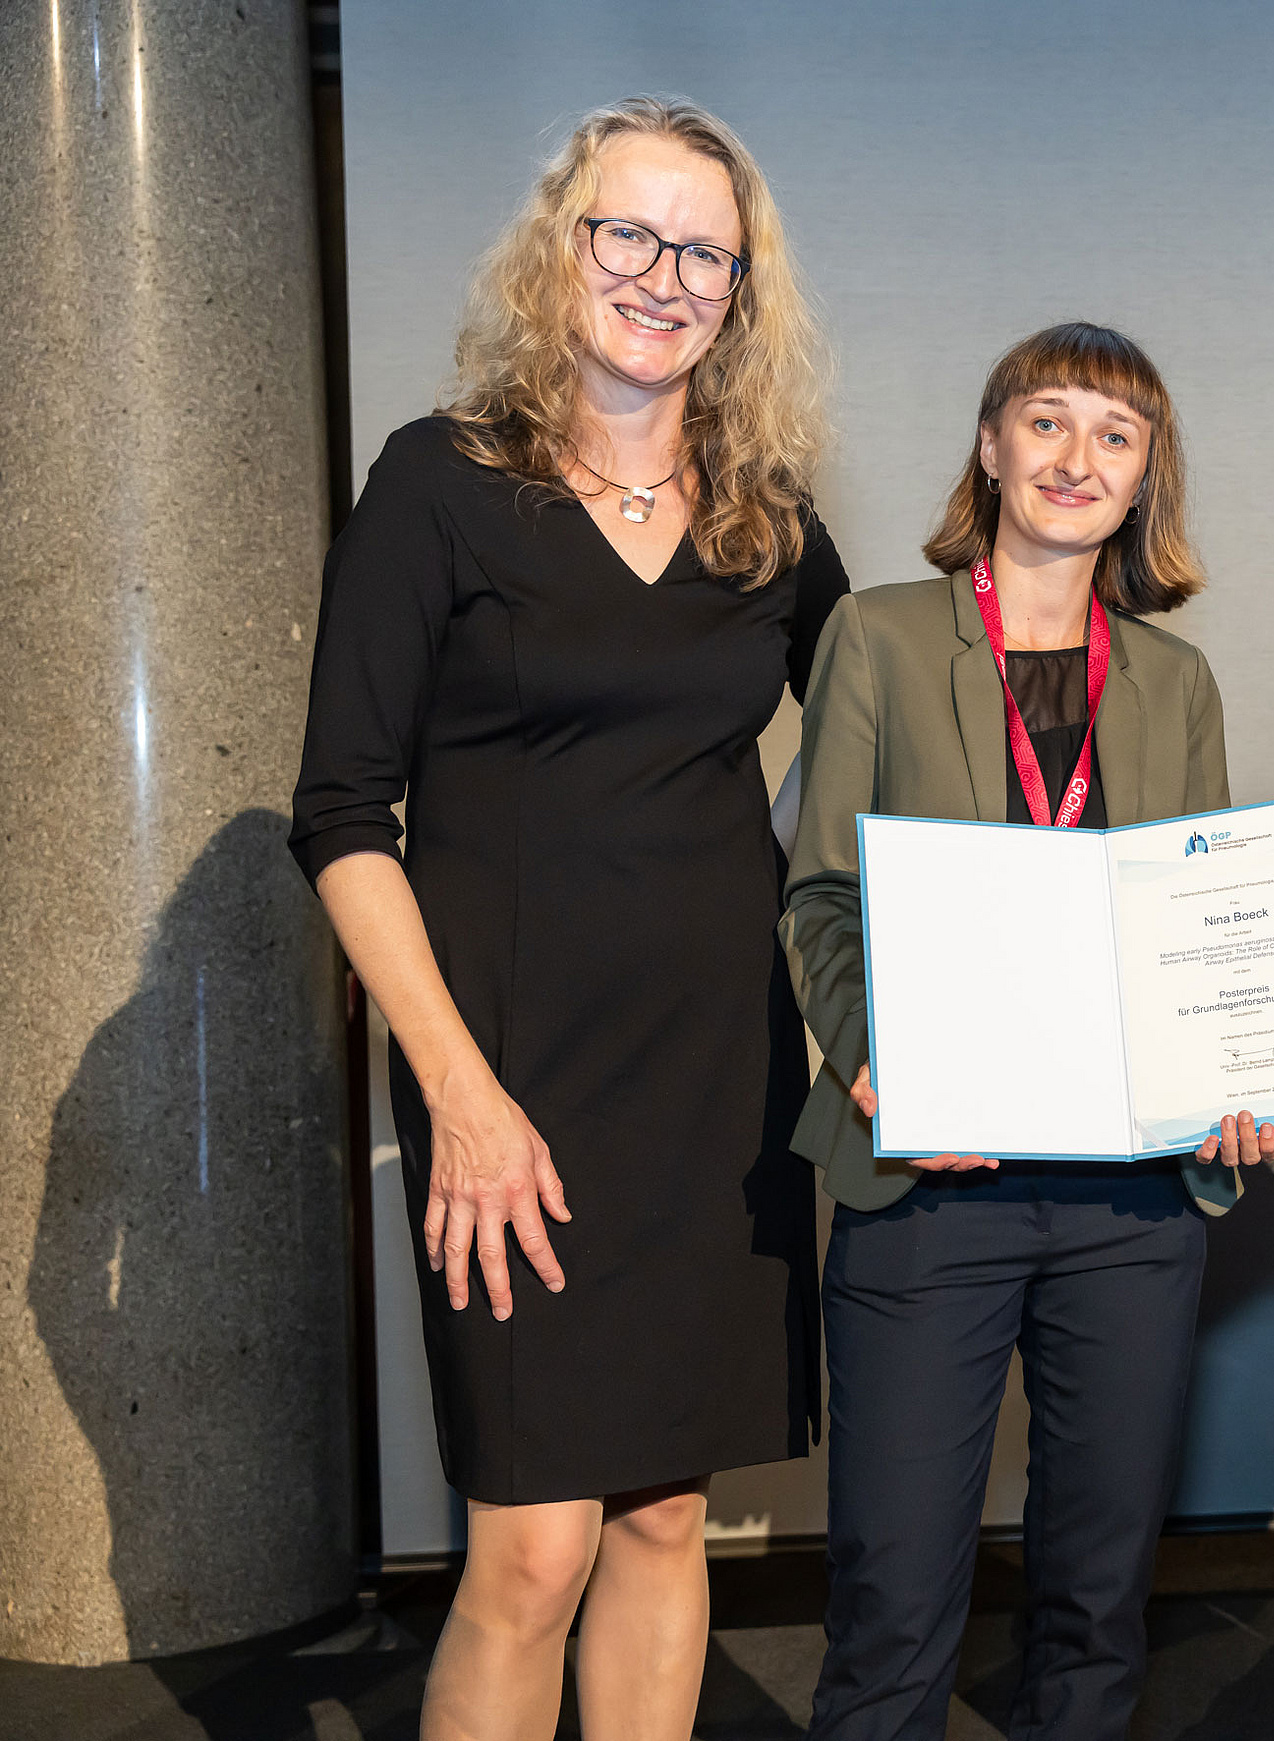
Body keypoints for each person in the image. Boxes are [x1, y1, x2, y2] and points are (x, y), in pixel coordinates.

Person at [288, 97, 842, 1741]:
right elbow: (339, 819)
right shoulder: (440, 483)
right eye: (631, 233)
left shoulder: (769, 515)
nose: (664, 276)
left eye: (705, 252)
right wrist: (458, 1091)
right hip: (507, 1081)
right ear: (563, 241)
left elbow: (872, 744)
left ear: (742, 292)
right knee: (530, 1548)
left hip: (711, 1079)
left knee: (668, 1516)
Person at [781, 322, 1274, 1741]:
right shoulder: (875, 635)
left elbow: (1200, 932)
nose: (1076, 457)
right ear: (991, 446)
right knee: (892, 1600)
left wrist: (1235, 1075)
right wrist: (874, 1053)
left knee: (1098, 1600)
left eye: (1114, 436)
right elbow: (820, 896)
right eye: (1047, 422)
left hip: (1132, 1200)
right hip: (934, 1177)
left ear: (1145, 480)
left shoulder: (1175, 682)